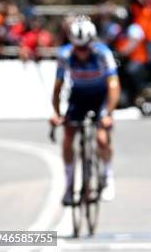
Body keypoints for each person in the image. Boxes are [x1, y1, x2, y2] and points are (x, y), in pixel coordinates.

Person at [50, 16, 120, 205]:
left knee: (101, 138)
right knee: (68, 136)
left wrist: (109, 114)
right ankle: (69, 182)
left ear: (92, 42)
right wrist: (57, 114)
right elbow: (58, 87)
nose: (81, 52)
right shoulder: (65, 55)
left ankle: (107, 177)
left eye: (85, 47)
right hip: (78, 97)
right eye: (77, 48)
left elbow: (114, 85)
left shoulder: (102, 53)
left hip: (100, 97)